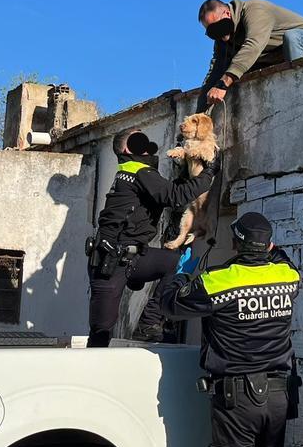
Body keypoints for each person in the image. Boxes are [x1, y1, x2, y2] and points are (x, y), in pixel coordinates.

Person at [158, 212, 299, 447]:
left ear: (235, 244)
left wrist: (180, 270)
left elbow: (170, 305)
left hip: (237, 403)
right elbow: (282, 257)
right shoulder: (288, 277)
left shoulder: (220, 280)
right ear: (269, 245)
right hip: (279, 399)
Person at [86, 128, 216, 348]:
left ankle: (149, 324)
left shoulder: (136, 173)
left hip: (130, 257)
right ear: (129, 148)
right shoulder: (139, 172)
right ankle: (91, 372)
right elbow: (175, 196)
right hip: (111, 260)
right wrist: (210, 171)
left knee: (176, 264)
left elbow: (171, 189)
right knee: (101, 329)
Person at [198, 0, 303, 112]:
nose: (216, 33)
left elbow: (253, 45)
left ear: (227, 14)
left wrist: (223, 83)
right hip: (276, 57)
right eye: (211, 32)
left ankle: (302, 96)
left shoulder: (255, 9)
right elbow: (215, 71)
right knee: (239, 68)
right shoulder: (222, 39)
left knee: (291, 37)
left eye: (216, 26)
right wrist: (198, 113)